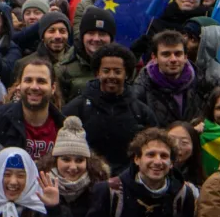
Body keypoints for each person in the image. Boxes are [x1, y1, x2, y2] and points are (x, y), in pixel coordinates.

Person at [83, 128, 201, 217]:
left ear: (171, 164)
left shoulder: (183, 194)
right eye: (151, 155)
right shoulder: (108, 190)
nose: (158, 161)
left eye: (164, 156)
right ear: (137, 159)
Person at [62, 43, 156, 175]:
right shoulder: (77, 108)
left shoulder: (141, 111)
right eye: (106, 71)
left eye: (117, 72)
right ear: (97, 73)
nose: (111, 76)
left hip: (128, 181)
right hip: (87, 178)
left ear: (127, 74)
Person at [36, 116, 109, 217]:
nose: (73, 167)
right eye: (66, 159)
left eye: (79, 160)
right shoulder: (39, 187)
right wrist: (53, 209)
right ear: (55, 160)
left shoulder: (99, 188)